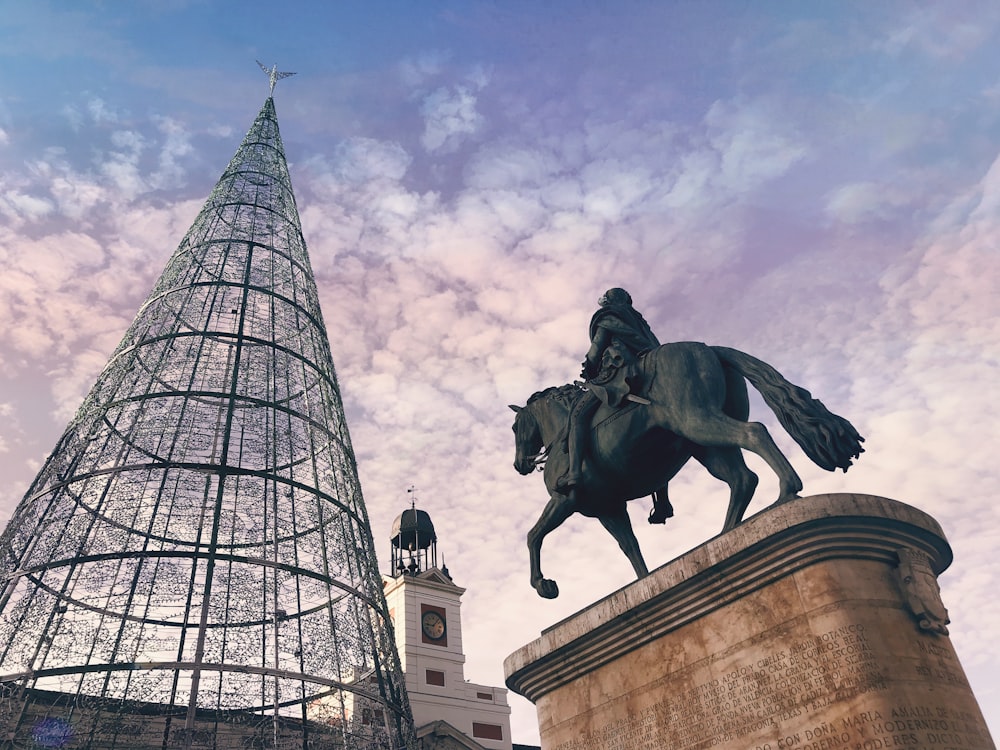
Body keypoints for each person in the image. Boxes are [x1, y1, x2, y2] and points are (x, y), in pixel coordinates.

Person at [557, 288, 660, 495]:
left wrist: (589, 368)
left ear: (608, 301)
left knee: (577, 415)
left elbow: (597, 347)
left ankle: (574, 472)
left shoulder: (607, 316)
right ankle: (662, 499)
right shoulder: (638, 320)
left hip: (617, 371)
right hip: (647, 367)